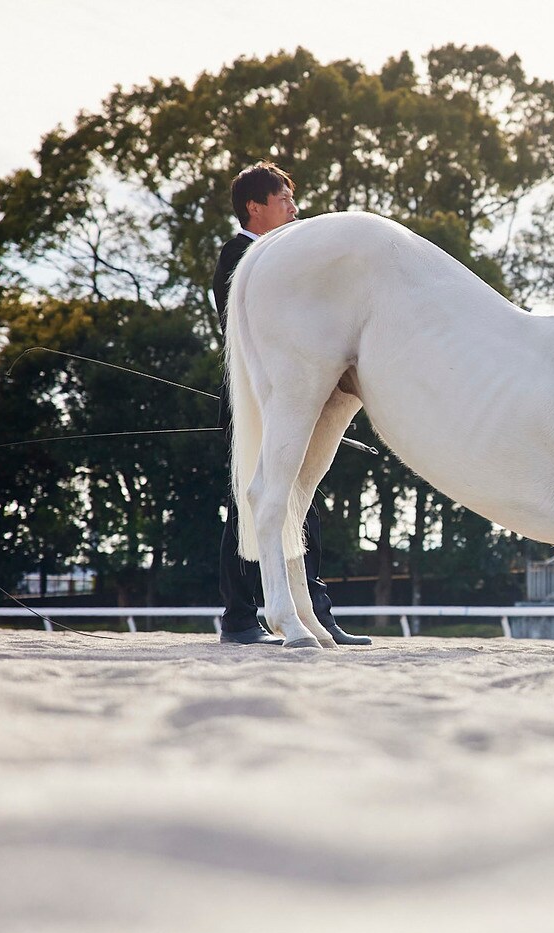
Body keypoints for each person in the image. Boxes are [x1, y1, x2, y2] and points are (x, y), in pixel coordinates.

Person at [212, 161, 370, 646]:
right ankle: (240, 617)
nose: (294, 208)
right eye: (283, 200)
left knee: (302, 504)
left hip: (296, 396)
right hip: (257, 400)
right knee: (250, 503)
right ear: (254, 207)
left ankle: (314, 609)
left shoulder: (290, 259)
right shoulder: (238, 256)